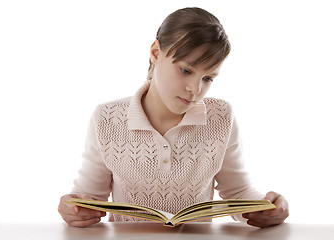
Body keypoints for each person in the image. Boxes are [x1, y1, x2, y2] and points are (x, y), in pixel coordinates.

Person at [58, 7, 289, 228]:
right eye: (186, 71)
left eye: (208, 78)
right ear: (156, 53)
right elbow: (88, 197)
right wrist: (73, 209)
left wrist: (265, 208)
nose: (195, 89)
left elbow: (238, 192)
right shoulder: (107, 118)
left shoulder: (221, 117)